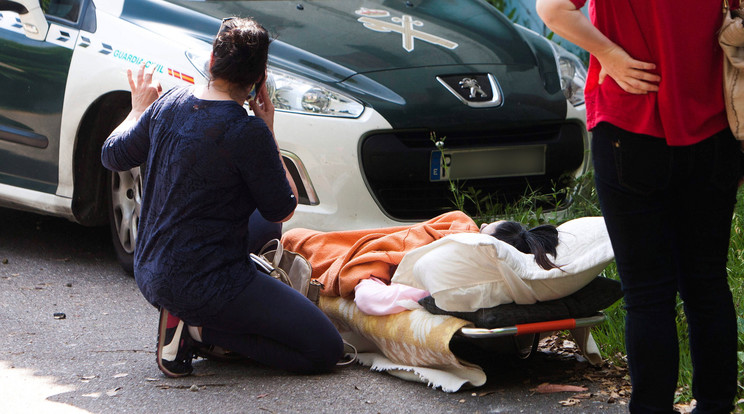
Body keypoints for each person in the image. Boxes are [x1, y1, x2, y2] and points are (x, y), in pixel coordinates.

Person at [101, 17, 343, 378]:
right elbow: (285, 204)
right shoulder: (246, 131)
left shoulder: (169, 102)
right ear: (260, 79)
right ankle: (199, 330)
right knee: (325, 349)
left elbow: (111, 154)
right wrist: (268, 130)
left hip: (150, 267)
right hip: (205, 285)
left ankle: (192, 317)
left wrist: (138, 109)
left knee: (267, 225)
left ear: (212, 62)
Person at [535, 1, 741, 412]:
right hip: (713, 129)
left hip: (629, 127)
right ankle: (717, 406)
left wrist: (610, 55)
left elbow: (554, 8)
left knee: (648, 293)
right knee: (707, 284)